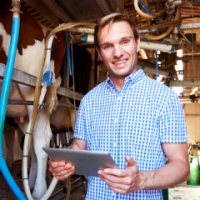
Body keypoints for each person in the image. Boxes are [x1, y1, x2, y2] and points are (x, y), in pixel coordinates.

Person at [48, 13, 189, 200]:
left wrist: (142, 180)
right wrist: (63, 164)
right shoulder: (89, 101)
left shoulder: (164, 98)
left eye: (125, 42)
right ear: (99, 53)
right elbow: (78, 149)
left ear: (137, 43)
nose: (117, 53)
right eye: (108, 46)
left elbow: (181, 167)